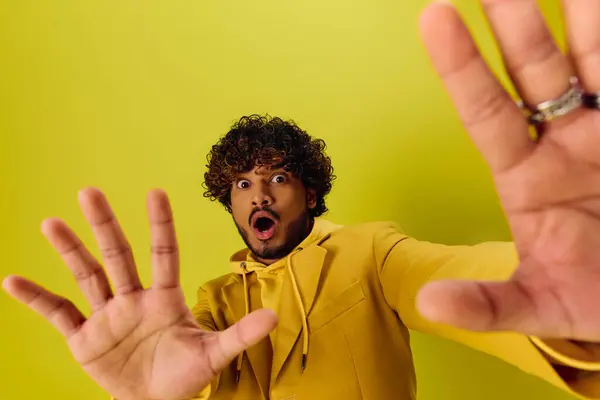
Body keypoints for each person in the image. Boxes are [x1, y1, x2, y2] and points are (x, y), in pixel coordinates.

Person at [4, 1, 600, 399]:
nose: (258, 193)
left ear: (310, 193)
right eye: (242, 184)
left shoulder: (371, 253)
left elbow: (452, 274)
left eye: (278, 178)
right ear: (230, 203)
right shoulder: (210, 306)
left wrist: (560, 290)